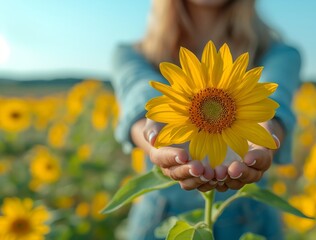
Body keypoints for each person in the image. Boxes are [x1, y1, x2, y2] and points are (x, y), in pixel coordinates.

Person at [111, 0, 301, 239]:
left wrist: (268, 130)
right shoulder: (131, 54)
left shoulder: (279, 53)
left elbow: (274, 98)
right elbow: (140, 96)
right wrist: (154, 138)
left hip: (252, 220)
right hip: (161, 218)